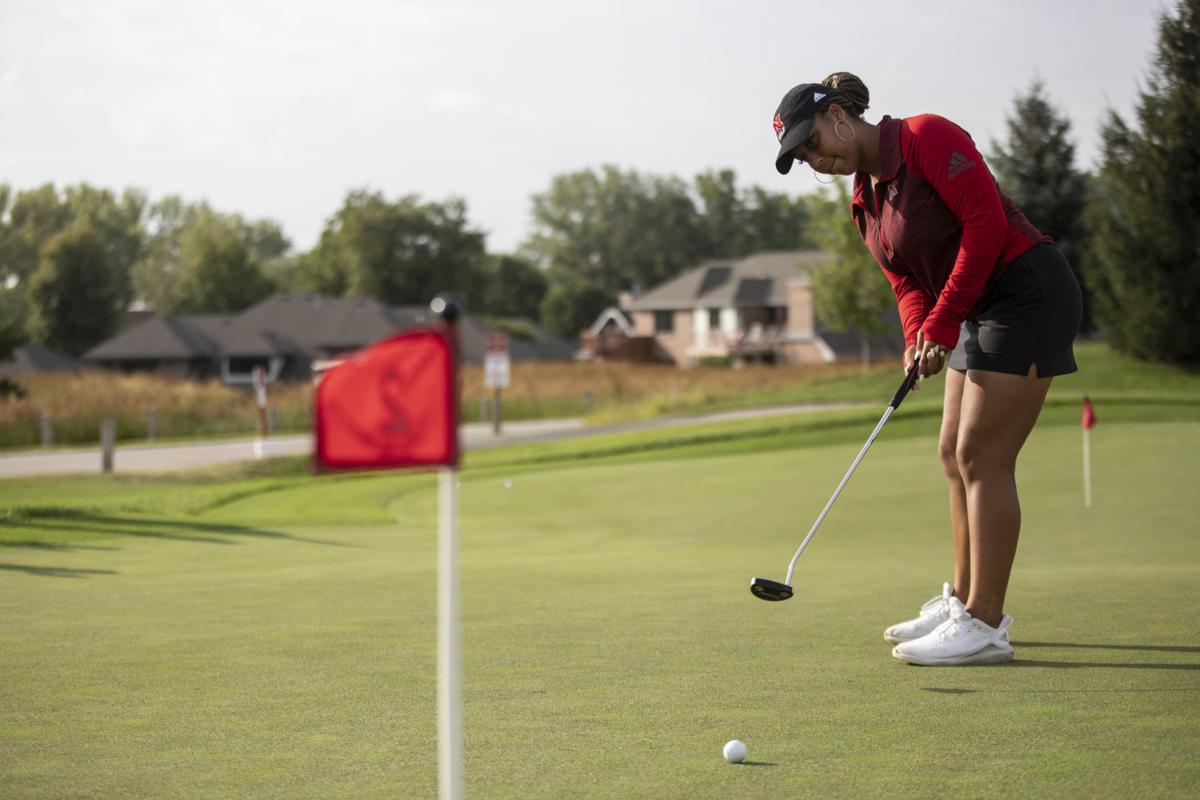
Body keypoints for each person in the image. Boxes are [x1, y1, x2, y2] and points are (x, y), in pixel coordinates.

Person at [771, 73, 1082, 666]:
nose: (818, 160)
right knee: (950, 452)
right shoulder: (864, 203)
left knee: (981, 454)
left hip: (1026, 290)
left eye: (814, 143)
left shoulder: (926, 138)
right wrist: (919, 336)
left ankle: (986, 623)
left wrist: (943, 325)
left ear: (839, 116)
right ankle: (964, 601)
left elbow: (985, 226)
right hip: (975, 306)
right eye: (805, 157)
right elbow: (906, 281)